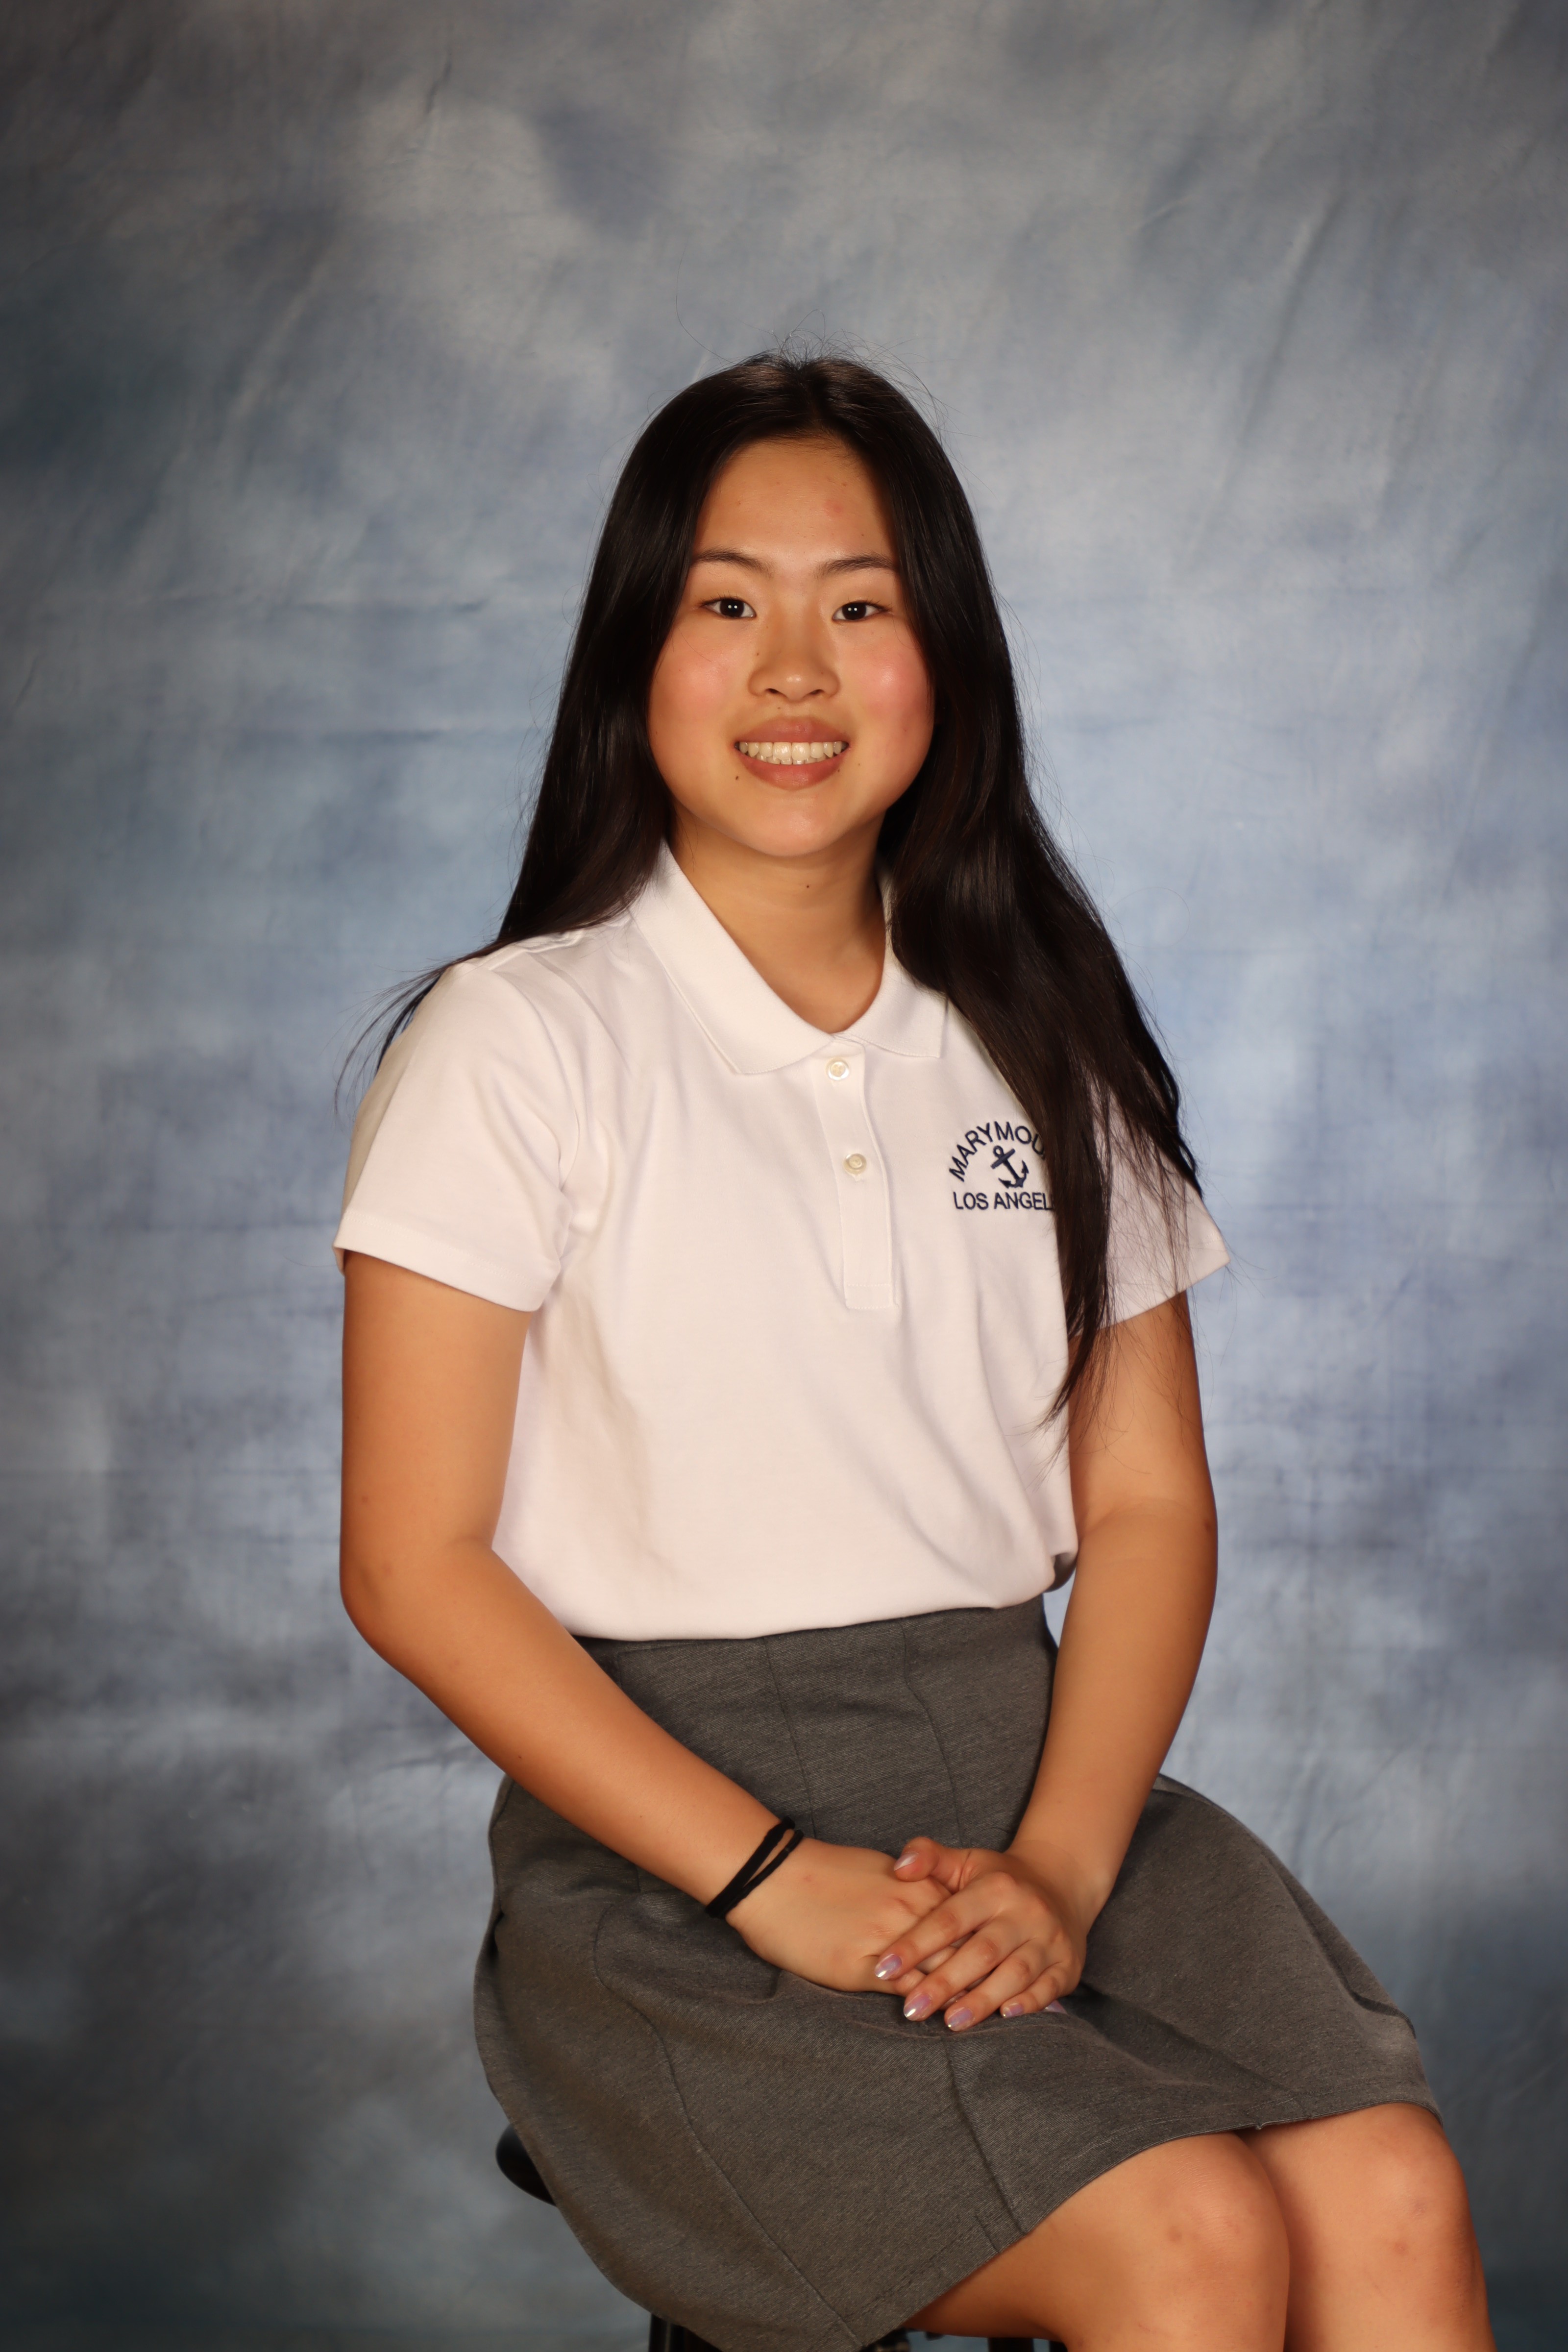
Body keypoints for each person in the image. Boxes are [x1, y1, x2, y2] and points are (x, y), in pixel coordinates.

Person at [335, 352, 1493, 2352]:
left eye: (858, 604)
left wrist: (1059, 1866)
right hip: (673, 1843)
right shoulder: (516, 1042)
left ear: (943, 656)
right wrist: (772, 1875)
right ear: (632, 656)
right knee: (1191, 2238)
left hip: (1045, 1788)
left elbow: (1146, 1504)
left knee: (1386, 2190)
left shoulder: (1038, 1027)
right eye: (727, 602)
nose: (794, 667)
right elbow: (410, 1564)